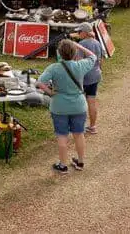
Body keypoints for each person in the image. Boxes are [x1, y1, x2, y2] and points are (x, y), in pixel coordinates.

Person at [36, 39, 97, 174]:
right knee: (79, 134)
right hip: (79, 106)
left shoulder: (54, 68)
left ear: (59, 53)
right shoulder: (81, 65)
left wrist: (50, 92)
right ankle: (80, 162)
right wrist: (79, 46)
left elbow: (40, 83)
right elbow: (93, 56)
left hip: (59, 106)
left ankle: (63, 166)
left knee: (62, 136)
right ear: (75, 53)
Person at [73, 22, 104, 134]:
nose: (78, 33)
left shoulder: (82, 44)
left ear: (85, 33)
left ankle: (79, 127)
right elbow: (101, 60)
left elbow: (79, 62)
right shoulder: (97, 43)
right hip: (96, 75)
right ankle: (92, 126)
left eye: (79, 32)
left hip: (85, 77)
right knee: (92, 101)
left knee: (80, 102)